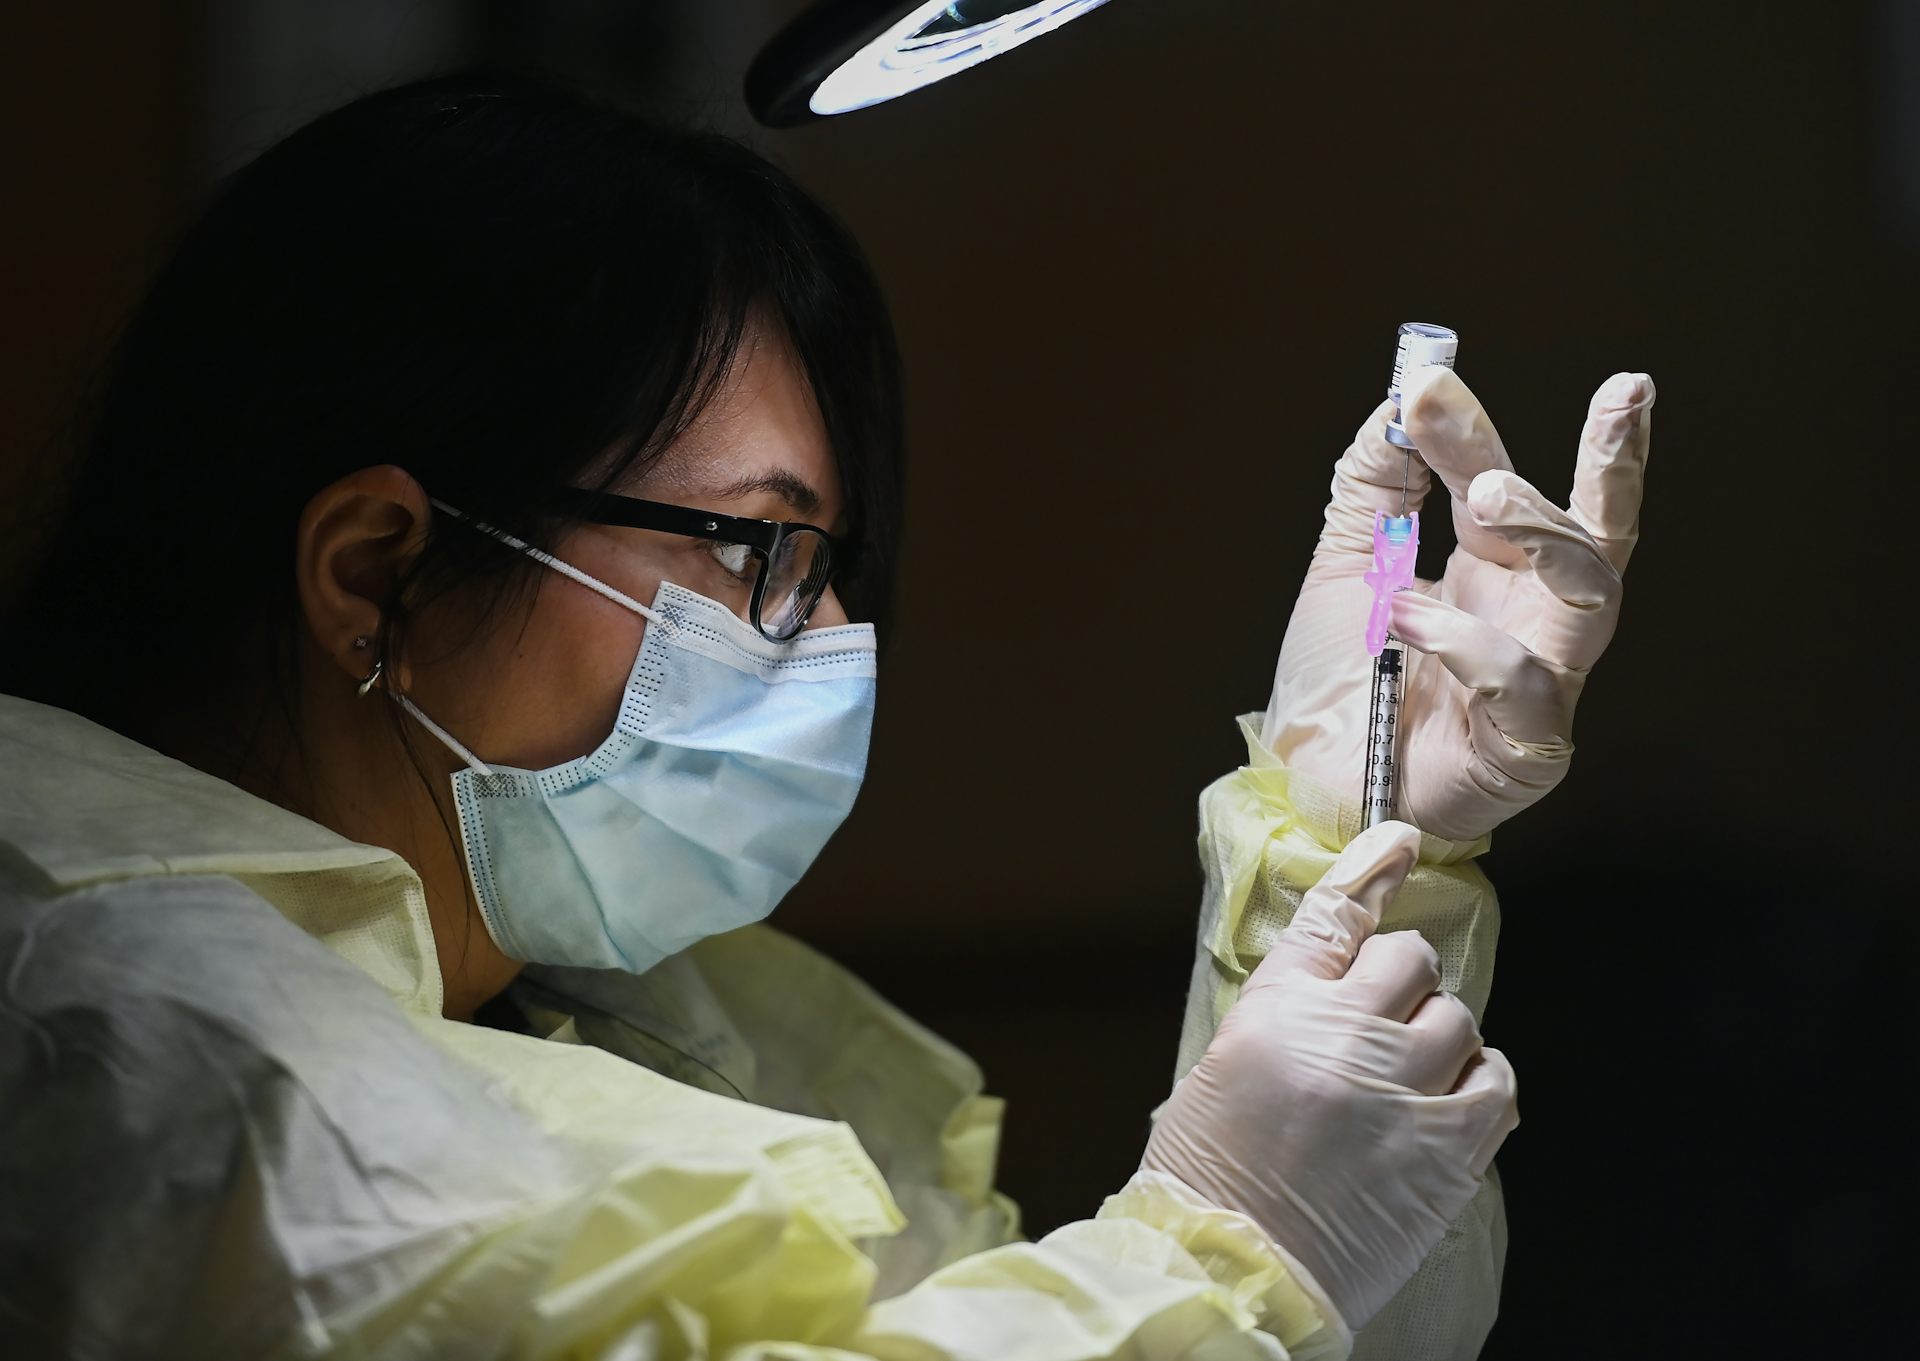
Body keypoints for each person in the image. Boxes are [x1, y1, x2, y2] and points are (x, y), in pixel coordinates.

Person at [0, 73, 1652, 1360]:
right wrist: (1223, 1244)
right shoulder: (148, 1051)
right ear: (378, 569)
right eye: (760, 552)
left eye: (830, 562)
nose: (836, 639)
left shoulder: (625, 1012)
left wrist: (1350, 835)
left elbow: (1318, 1313)